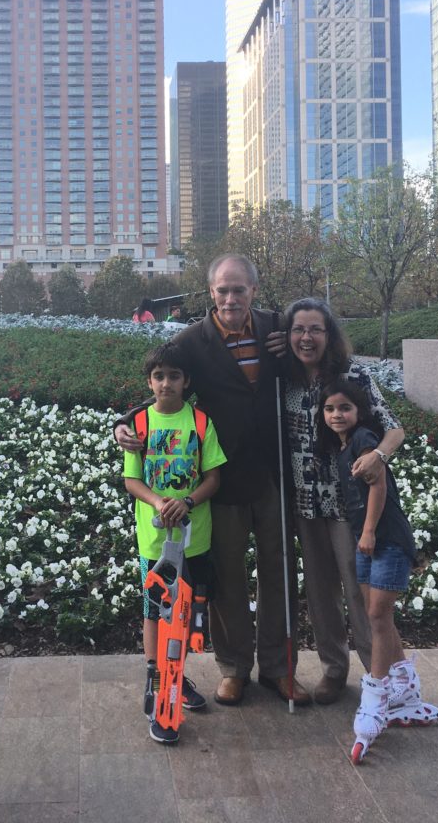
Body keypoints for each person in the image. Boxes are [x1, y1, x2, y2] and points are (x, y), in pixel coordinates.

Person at [117, 255, 310, 707]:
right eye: (223, 290)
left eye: (239, 289)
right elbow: (164, 386)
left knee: (278, 573)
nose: (231, 298)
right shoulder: (192, 341)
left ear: (253, 291)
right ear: (211, 293)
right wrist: (124, 422)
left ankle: (280, 669)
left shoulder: (276, 330)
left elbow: (312, 362)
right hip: (221, 479)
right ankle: (234, 668)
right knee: (227, 578)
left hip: (274, 472)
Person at [317, 380, 438, 762]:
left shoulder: (364, 440)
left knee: (376, 614)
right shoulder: (344, 447)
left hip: (385, 538)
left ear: (358, 412)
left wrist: (370, 530)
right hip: (365, 538)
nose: (337, 415)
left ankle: (375, 699)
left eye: (344, 408)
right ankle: (404, 686)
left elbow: (378, 487)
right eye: (330, 409)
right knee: (377, 614)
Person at [284, 297, 404, 705]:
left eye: (315, 329)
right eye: (298, 329)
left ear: (329, 334)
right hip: (304, 502)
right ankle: (334, 670)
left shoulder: (353, 375)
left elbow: (394, 429)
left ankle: (378, 675)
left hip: (348, 504)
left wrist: (378, 456)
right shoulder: (282, 378)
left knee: (359, 591)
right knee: (320, 592)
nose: (306, 337)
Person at [123, 342, 227, 744]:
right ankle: (156, 678)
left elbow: (212, 478)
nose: (166, 383)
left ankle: (176, 676)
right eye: (159, 376)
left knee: (184, 614)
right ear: (149, 381)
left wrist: (186, 502)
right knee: (155, 612)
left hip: (194, 540)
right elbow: (133, 480)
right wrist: (158, 502)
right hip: (155, 543)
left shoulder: (200, 424)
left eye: (174, 376)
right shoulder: (140, 427)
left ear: (187, 382)